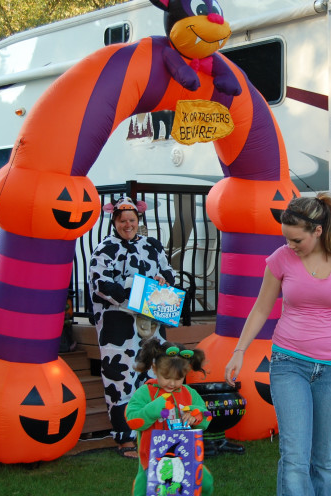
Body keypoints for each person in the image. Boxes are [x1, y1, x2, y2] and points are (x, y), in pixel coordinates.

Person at [224, 193, 331, 496]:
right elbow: (262, 308)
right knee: (294, 459)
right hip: (289, 364)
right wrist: (239, 351)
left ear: (318, 231)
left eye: (297, 241)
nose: (291, 246)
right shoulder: (280, 258)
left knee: (325, 461)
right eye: (287, 239)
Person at [88, 196, 177, 458]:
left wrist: (163, 280)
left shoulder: (152, 245)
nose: (128, 225)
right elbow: (101, 284)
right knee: (121, 378)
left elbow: (169, 272)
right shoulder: (104, 249)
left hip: (152, 322)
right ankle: (125, 437)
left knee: (153, 373)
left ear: (138, 221)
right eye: (122, 220)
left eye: (132, 220)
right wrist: (135, 291)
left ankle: (153, 431)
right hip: (118, 326)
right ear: (114, 221)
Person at [126, 338, 214, 496]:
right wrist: (152, 410)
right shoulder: (146, 392)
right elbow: (132, 419)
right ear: (154, 369)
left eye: (178, 379)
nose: (172, 384)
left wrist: (196, 415)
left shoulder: (189, 393)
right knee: (145, 491)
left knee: (205, 484)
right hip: (152, 461)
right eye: (167, 377)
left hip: (185, 458)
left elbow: (207, 417)